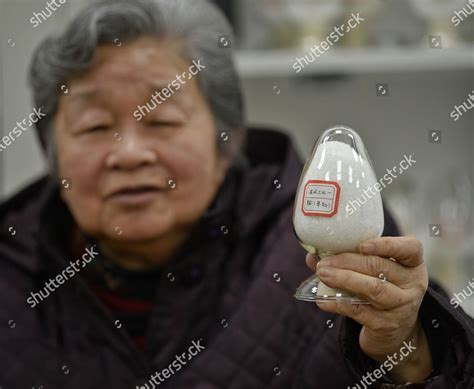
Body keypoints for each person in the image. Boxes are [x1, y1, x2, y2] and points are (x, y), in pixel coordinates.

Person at [0, 1, 472, 388]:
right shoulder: (12, 268)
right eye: (95, 126)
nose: (129, 154)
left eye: (162, 120)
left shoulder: (328, 232)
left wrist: (405, 346)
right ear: (54, 155)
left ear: (225, 142)